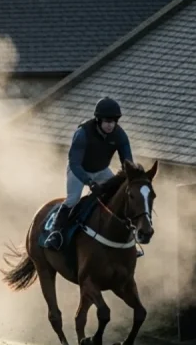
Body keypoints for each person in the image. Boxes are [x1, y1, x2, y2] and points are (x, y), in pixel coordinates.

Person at [43, 97, 133, 250]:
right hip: (79, 170)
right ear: (98, 120)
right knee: (73, 199)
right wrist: (89, 182)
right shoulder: (83, 133)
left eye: (113, 121)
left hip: (102, 171)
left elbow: (128, 164)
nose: (110, 125)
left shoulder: (120, 135)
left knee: (118, 194)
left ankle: (124, 234)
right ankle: (55, 232)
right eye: (107, 121)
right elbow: (74, 164)